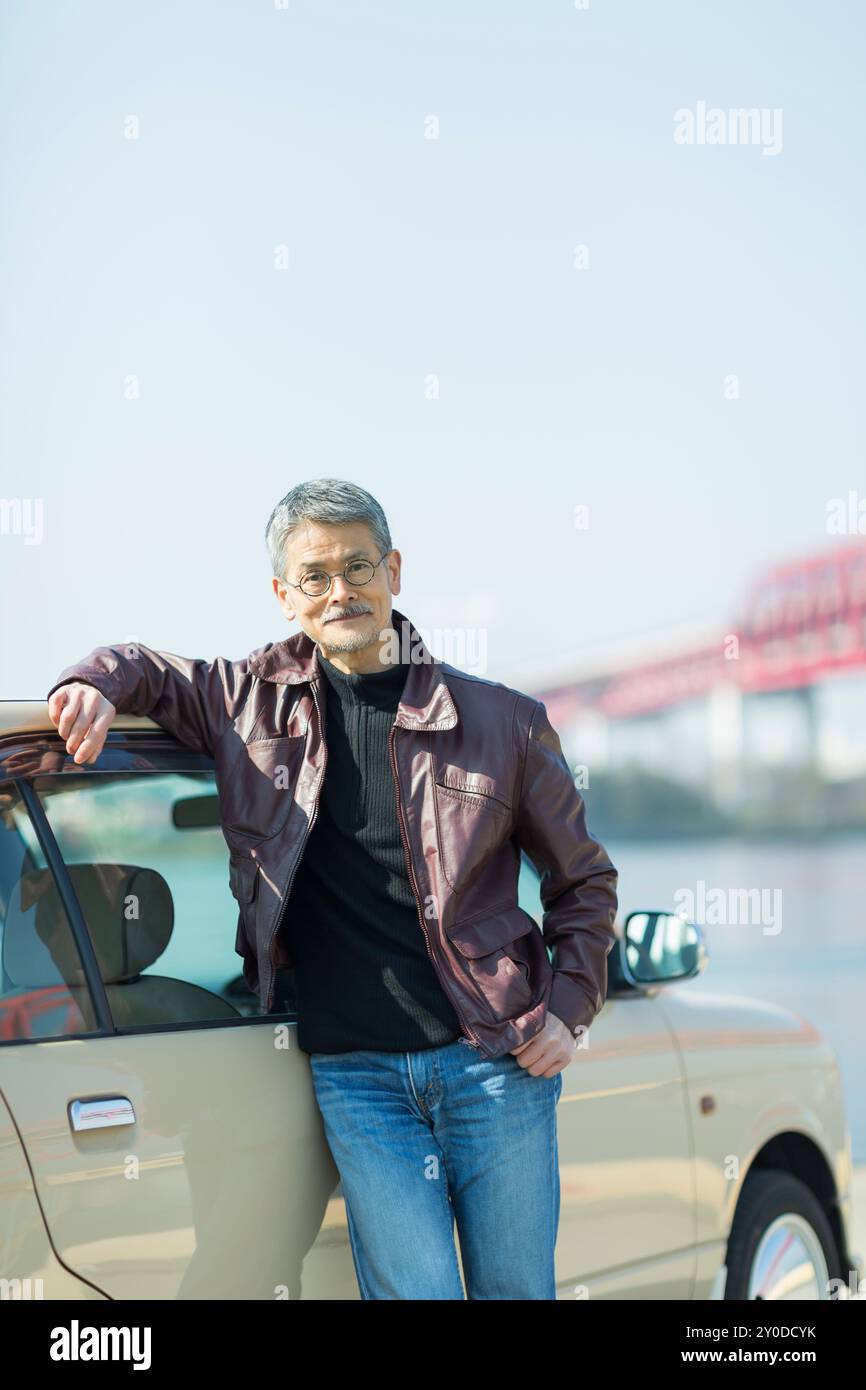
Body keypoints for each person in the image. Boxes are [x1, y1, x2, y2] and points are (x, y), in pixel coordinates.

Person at [46, 476, 619, 1300]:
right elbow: (146, 668)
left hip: (496, 1065)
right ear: (285, 594)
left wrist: (569, 1008)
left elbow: (584, 881)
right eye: (314, 575)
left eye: (358, 566)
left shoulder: (505, 722)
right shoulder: (244, 702)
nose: (339, 590)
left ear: (394, 571)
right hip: (358, 1078)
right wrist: (92, 682)